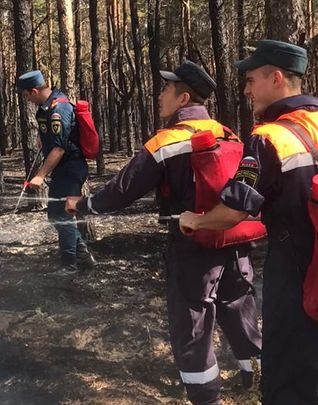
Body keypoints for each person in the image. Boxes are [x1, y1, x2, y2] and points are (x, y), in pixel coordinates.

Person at [178, 40, 318, 405]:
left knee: (286, 382)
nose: (246, 89)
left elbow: (235, 210)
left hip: (296, 278)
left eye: (251, 79)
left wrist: (196, 219)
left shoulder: (269, 137)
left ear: (276, 78)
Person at [65, 61, 261, 405]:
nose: (159, 96)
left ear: (183, 98)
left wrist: (83, 205)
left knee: (193, 325)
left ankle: (206, 397)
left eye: (165, 90)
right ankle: (258, 379)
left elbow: (122, 190)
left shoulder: (166, 141)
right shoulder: (228, 132)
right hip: (236, 241)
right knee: (239, 309)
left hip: (192, 246)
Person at [16, 70, 95, 276]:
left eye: (27, 96)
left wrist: (40, 175)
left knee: (62, 215)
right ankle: (83, 255)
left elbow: (59, 149)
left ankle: (69, 266)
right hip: (62, 169)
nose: (28, 100)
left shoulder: (59, 108)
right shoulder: (45, 109)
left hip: (71, 167)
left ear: (34, 90)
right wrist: (44, 139)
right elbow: (53, 139)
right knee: (55, 215)